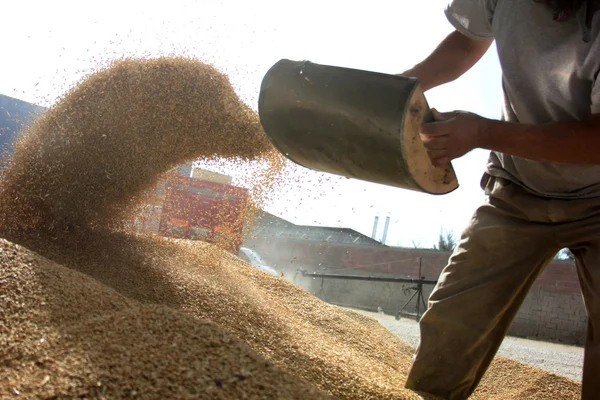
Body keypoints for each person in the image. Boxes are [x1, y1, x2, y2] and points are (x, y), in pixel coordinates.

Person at [399, 1, 600, 399]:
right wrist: (400, 88)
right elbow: (467, 41)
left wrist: (481, 133)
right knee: (453, 321)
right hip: (517, 190)